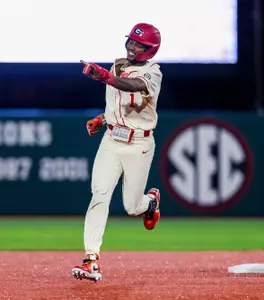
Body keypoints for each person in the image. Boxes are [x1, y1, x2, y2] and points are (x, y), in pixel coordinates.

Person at [72, 23, 163, 282]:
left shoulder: (153, 73)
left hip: (139, 144)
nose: (132, 47)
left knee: (132, 207)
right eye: (131, 42)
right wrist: (102, 119)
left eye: (139, 45)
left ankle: (151, 202)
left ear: (150, 49)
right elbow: (117, 101)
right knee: (99, 194)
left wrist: (106, 77)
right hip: (112, 139)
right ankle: (91, 259)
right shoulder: (118, 65)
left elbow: (133, 86)